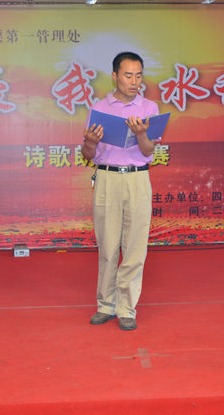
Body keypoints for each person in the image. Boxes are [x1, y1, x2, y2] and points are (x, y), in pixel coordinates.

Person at [81, 51, 159, 331]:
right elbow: (87, 154)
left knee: (135, 247)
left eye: (139, 76)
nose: (134, 81)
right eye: (128, 75)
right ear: (115, 76)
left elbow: (148, 151)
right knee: (108, 246)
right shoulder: (99, 108)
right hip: (107, 178)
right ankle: (106, 305)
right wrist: (90, 142)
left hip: (138, 179)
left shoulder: (149, 107)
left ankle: (127, 308)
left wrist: (141, 134)